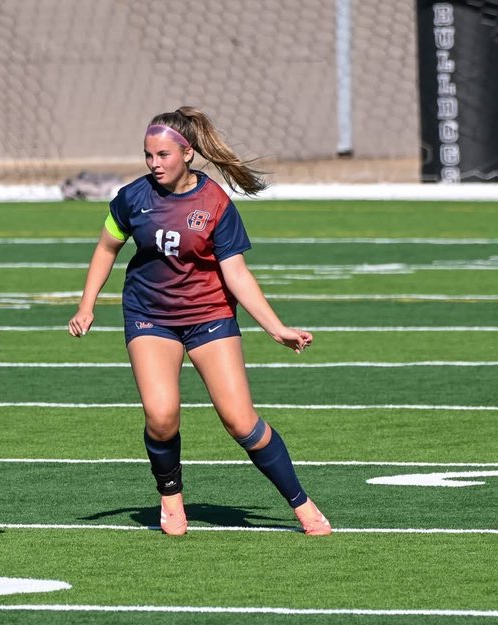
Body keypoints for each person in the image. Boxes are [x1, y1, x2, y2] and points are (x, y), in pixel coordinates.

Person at [67, 106, 331, 538]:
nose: (154, 164)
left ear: (188, 154)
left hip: (209, 316)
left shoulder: (215, 203)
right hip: (149, 316)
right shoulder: (132, 198)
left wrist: (275, 327)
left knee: (240, 422)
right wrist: (86, 305)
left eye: (163, 155)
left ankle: (301, 504)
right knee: (161, 414)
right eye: (148, 155)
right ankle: (171, 500)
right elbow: (106, 249)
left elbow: (237, 276)